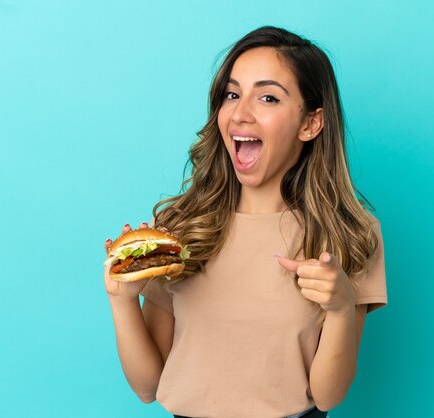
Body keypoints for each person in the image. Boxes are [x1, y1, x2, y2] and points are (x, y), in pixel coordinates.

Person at [104, 26, 388, 418]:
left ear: (311, 123)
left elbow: (328, 395)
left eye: (268, 97)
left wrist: (341, 307)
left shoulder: (351, 234)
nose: (240, 113)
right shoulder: (179, 227)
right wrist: (122, 302)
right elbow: (148, 386)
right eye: (232, 94)